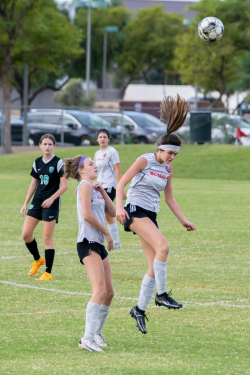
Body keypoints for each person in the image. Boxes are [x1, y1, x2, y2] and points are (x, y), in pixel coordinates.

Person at [116, 95, 196, 334]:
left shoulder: (168, 168)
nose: (171, 158)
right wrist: (119, 207)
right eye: (168, 153)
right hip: (134, 211)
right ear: (159, 149)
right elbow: (121, 184)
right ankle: (161, 295)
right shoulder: (145, 160)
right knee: (164, 247)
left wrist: (183, 220)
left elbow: (169, 197)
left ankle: (139, 309)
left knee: (153, 265)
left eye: (175, 155)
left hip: (150, 215)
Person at [64, 155, 116, 352]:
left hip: (98, 243)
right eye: (91, 164)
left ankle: (96, 333)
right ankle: (86, 338)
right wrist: (107, 233)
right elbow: (87, 215)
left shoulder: (94, 187)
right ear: (81, 170)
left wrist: (102, 189)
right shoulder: (85, 185)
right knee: (99, 291)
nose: (95, 166)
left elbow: (111, 211)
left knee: (109, 293)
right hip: (87, 242)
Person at [20, 134, 68, 280]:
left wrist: (51, 198)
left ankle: (48, 272)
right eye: (45, 144)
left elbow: (64, 186)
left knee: (47, 238)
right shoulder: (37, 163)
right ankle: (38, 259)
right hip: (37, 202)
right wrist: (26, 203)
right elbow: (33, 184)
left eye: (50, 144)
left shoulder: (59, 163)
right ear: (40, 145)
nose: (47, 147)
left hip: (51, 204)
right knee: (26, 234)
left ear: (54, 146)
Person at [94, 128, 126, 249]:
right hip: (99, 186)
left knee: (106, 213)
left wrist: (121, 188)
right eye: (100, 137)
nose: (102, 139)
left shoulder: (112, 152)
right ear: (97, 139)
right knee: (105, 214)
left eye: (104, 137)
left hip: (109, 187)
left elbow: (118, 171)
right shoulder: (97, 153)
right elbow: (95, 171)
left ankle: (115, 243)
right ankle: (114, 243)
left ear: (108, 139)